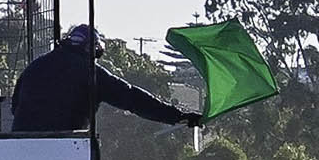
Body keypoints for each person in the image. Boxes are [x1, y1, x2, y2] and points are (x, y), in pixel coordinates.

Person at [10, 24, 201, 132]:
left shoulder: (35, 66)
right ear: (91, 49)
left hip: (20, 143)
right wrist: (178, 116)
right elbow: (132, 98)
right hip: (65, 147)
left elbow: (14, 105)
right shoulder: (90, 72)